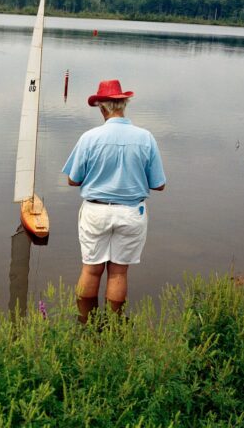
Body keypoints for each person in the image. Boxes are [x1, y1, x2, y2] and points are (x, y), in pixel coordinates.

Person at [62, 79, 166, 324]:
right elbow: (158, 184)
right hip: (131, 213)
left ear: (102, 108)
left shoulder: (89, 138)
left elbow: (72, 180)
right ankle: (113, 332)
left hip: (96, 211)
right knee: (118, 272)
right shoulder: (146, 138)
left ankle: (86, 327)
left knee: (91, 269)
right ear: (123, 104)